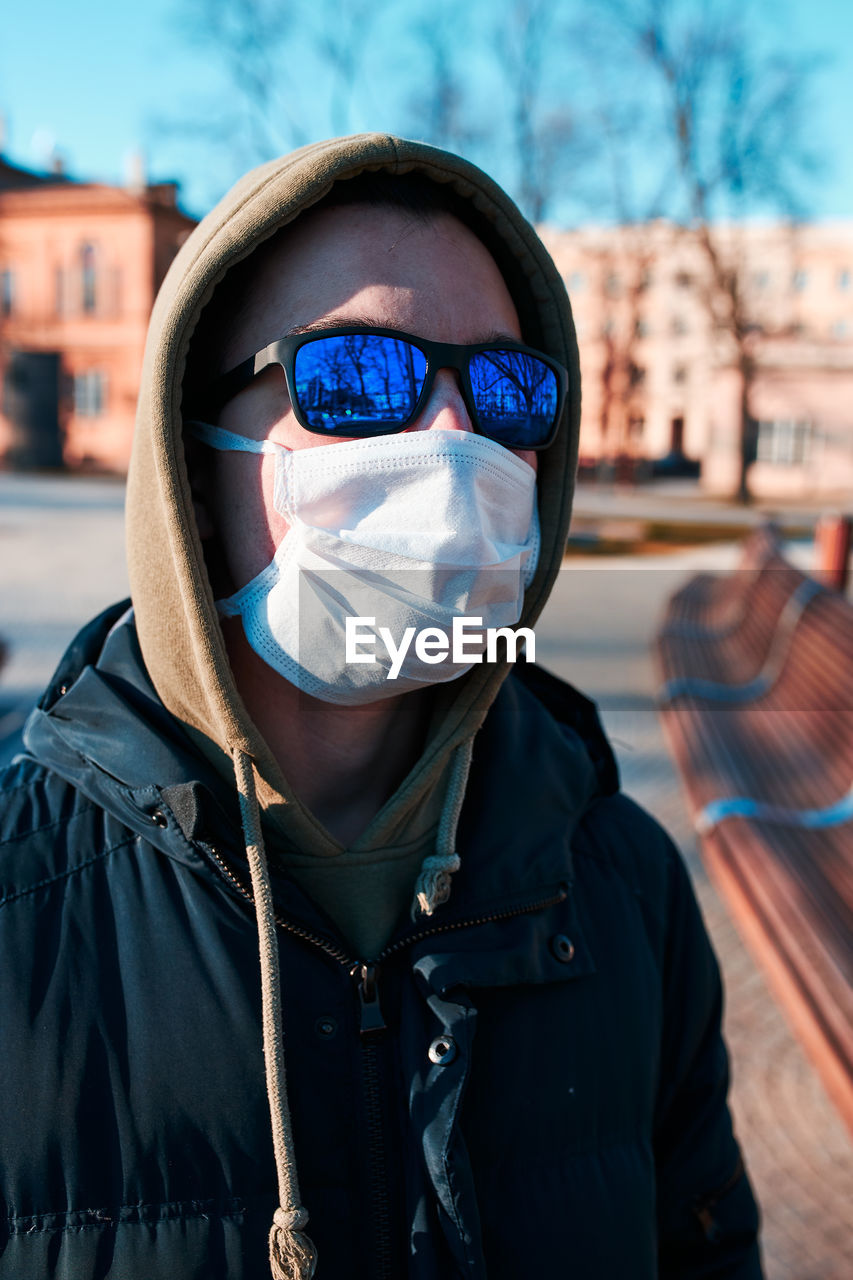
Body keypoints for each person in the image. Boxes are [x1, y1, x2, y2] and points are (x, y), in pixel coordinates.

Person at [0, 135, 762, 1279]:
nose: (457, 441)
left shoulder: (621, 881)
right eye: (358, 378)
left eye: (508, 391)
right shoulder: (22, 909)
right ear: (188, 462)